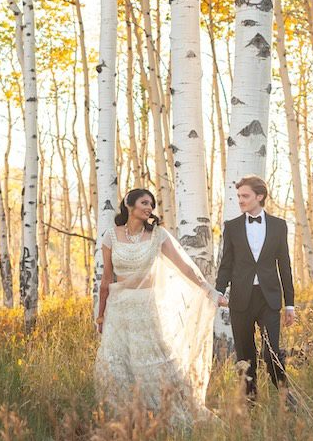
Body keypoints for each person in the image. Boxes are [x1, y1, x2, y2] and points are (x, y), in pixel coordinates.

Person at [94, 188, 225, 426]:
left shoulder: (158, 235)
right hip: (118, 310)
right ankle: (128, 421)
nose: (149, 208)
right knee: (118, 364)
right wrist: (100, 316)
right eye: (144, 203)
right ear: (129, 204)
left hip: (146, 307)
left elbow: (185, 266)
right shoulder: (110, 236)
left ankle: (166, 415)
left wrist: (209, 290)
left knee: (154, 362)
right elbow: (106, 280)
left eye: (151, 205)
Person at [215, 175, 296, 402]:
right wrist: (218, 291)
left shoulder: (279, 226)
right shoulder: (231, 227)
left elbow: (285, 267)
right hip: (240, 299)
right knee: (245, 355)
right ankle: (250, 403)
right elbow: (226, 264)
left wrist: (290, 304)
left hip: (268, 298)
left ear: (259, 196)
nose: (240, 200)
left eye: (245, 196)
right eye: (239, 196)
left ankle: (285, 395)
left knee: (271, 353)